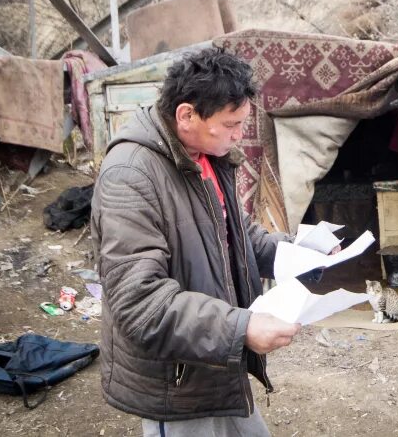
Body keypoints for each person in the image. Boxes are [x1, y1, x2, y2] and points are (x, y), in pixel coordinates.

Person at [91, 47, 301, 437]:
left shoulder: (204, 154)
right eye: (230, 124)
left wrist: (297, 254)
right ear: (186, 115)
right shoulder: (129, 176)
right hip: (177, 382)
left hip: (218, 363)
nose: (239, 135)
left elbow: (235, 233)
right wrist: (241, 329)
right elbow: (141, 303)